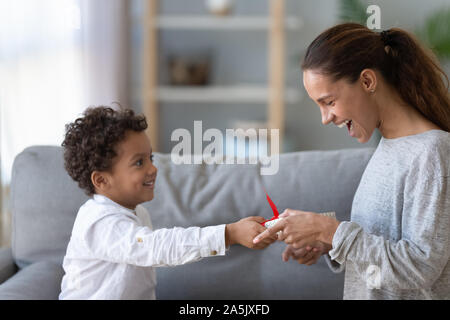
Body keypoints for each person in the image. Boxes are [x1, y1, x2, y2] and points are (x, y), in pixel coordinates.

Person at [253, 23, 450, 299]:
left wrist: (332, 232)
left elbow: (420, 267)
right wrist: (325, 242)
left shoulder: (432, 151)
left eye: (329, 102)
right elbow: (383, 241)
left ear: (367, 81)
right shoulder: (389, 145)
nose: (325, 118)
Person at [59, 106, 276, 299]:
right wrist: (228, 234)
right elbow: (158, 248)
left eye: (150, 158)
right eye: (139, 162)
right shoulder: (100, 222)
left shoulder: (137, 213)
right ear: (102, 180)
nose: (153, 169)